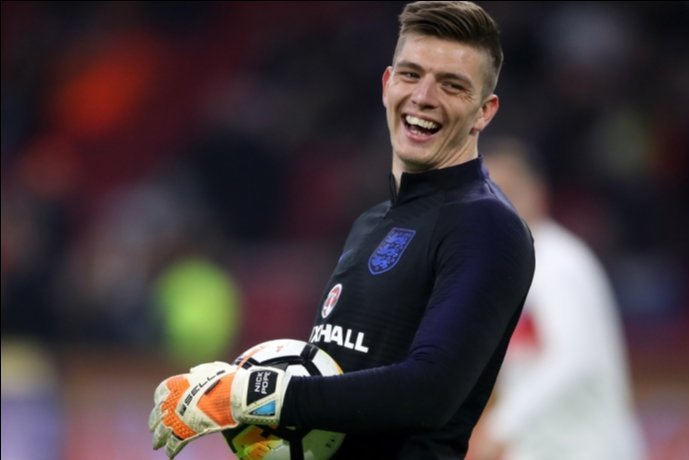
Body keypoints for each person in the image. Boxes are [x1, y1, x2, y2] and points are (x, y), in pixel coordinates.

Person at [149, 2, 535, 459]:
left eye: (452, 85)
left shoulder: (486, 225)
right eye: (411, 75)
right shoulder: (371, 223)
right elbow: (335, 383)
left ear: (484, 112)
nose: (424, 96)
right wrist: (239, 384)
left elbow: (429, 392)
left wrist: (249, 397)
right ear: (387, 84)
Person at [468, 137, 645, 460]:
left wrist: (502, 424)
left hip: (588, 448)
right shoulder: (510, 269)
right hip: (540, 446)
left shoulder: (558, 261)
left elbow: (573, 357)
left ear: (538, 191)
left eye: (510, 188)